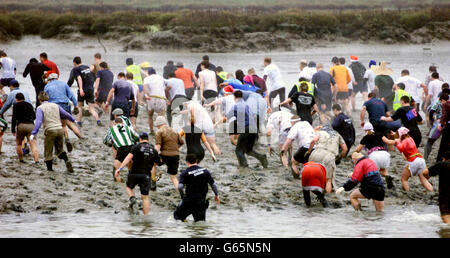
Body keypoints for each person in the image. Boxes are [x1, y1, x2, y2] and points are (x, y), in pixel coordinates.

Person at [115, 132, 161, 215]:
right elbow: (158, 163)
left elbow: (128, 158)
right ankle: (145, 219)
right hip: (146, 175)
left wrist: (120, 168)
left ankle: (132, 198)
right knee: (145, 198)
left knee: (129, 187)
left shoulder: (136, 147)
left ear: (140, 139)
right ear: (148, 139)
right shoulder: (153, 150)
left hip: (134, 173)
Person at [31, 92, 74, 172]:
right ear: (48, 98)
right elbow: (65, 114)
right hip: (60, 129)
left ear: (39, 99)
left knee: (48, 151)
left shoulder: (40, 108)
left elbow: (38, 122)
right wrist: (72, 119)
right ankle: (66, 160)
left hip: (50, 131)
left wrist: (34, 133)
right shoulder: (56, 105)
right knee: (60, 150)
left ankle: (50, 170)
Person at [226, 90, 268, 168]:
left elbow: (228, 117)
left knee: (238, 150)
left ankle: (244, 166)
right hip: (254, 129)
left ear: (234, 97)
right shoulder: (247, 104)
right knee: (249, 150)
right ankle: (261, 157)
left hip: (246, 129)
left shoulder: (235, 106)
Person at [384, 127, 433, 192]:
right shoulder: (410, 138)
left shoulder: (404, 141)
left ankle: (407, 192)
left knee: (403, 179)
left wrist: (397, 142)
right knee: (423, 180)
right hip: (421, 159)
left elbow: (401, 148)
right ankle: (432, 190)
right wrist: (396, 138)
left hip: (413, 161)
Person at [174, 153, 220, 222]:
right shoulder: (205, 171)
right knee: (200, 223)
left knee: (177, 217)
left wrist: (182, 196)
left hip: (189, 202)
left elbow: (180, 187)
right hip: (201, 202)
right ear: (197, 161)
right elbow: (213, 185)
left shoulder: (185, 173)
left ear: (187, 162)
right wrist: (216, 195)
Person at [44, 73, 82, 151]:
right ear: (57, 78)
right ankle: (80, 136)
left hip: (54, 106)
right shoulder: (64, 84)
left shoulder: (47, 86)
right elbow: (71, 96)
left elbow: (45, 99)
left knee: (60, 125)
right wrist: (75, 106)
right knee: (68, 123)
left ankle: (67, 139)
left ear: (49, 79)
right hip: (65, 105)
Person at [307, 125, 348, 193]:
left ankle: (312, 192)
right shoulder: (337, 134)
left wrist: (309, 151)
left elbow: (313, 141)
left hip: (316, 153)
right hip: (329, 156)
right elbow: (345, 149)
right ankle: (327, 198)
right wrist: (339, 158)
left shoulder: (320, 132)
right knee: (329, 180)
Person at [354, 122, 394, 189]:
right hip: (385, 154)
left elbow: (358, 149)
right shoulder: (380, 134)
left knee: (371, 172)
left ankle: (376, 186)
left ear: (365, 130)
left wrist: (354, 153)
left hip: (374, 156)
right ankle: (387, 176)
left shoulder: (365, 137)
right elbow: (388, 142)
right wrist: (398, 140)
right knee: (383, 169)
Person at [67, 56, 101, 127]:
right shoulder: (87, 67)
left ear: (74, 63)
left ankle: (79, 123)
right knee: (91, 109)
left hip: (82, 90)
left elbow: (77, 78)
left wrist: (68, 87)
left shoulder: (76, 69)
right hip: (90, 89)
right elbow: (91, 77)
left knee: (80, 107)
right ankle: (98, 121)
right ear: (81, 61)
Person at [103, 117, 139, 181]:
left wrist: (112, 144)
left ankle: (117, 180)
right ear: (122, 122)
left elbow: (105, 141)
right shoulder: (127, 127)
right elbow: (136, 137)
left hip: (121, 149)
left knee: (116, 167)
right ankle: (131, 176)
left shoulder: (111, 129)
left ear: (114, 123)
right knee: (131, 163)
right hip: (131, 147)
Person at [154, 116, 184, 189]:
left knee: (152, 163)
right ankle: (180, 192)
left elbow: (158, 146)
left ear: (158, 125)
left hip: (165, 155)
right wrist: (175, 148)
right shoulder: (174, 131)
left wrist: (153, 154)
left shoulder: (159, 131)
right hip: (175, 155)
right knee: (173, 176)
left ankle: (153, 182)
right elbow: (182, 142)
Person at [11, 93, 39, 163]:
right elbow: (34, 116)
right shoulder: (29, 105)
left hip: (21, 126)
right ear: (24, 98)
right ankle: (36, 161)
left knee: (19, 144)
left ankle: (21, 159)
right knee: (33, 144)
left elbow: (14, 118)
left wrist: (13, 130)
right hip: (31, 126)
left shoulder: (15, 105)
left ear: (16, 99)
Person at [428, 151, 450, 224]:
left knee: (447, 221)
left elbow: (425, 173)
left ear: (443, 158)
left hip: (445, 196)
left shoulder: (442, 165)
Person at [425, 93, 448, 160]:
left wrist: (431, 121)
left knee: (429, 142)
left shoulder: (438, 103)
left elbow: (431, 111)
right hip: (447, 125)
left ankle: (425, 158)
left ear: (441, 99)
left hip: (438, 124)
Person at [143, 69, 167, 134]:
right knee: (161, 115)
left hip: (151, 97)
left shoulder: (147, 78)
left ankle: (151, 130)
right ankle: (161, 131)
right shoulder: (161, 78)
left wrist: (146, 95)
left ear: (148, 73)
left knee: (150, 115)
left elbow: (145, 87)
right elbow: (165, 87)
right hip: (161, 97)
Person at [437, 95, 450, 162]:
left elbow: (443, 116)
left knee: (443, 145)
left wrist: (441, 124)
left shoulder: (446, 104)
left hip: (448, 127)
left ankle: (439, 161)